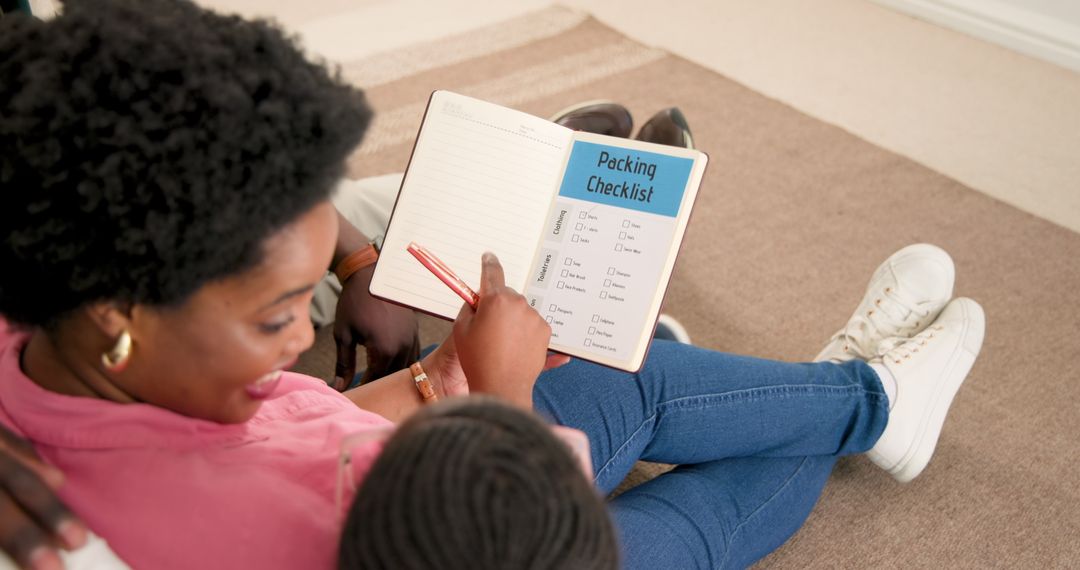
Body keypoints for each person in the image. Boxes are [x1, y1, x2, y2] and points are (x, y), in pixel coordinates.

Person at [0, 1, 986, 569]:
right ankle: (861, 394)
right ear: (116, 314)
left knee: (623, 377)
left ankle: (869, 402)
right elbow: (506, 542)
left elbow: (314, 419)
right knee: (688, 522)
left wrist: (445, 377)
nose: (307, 333)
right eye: (275, 316)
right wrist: (504, 398)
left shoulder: (31, 349)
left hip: (427, 455)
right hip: (497, 535)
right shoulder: (252, 525)